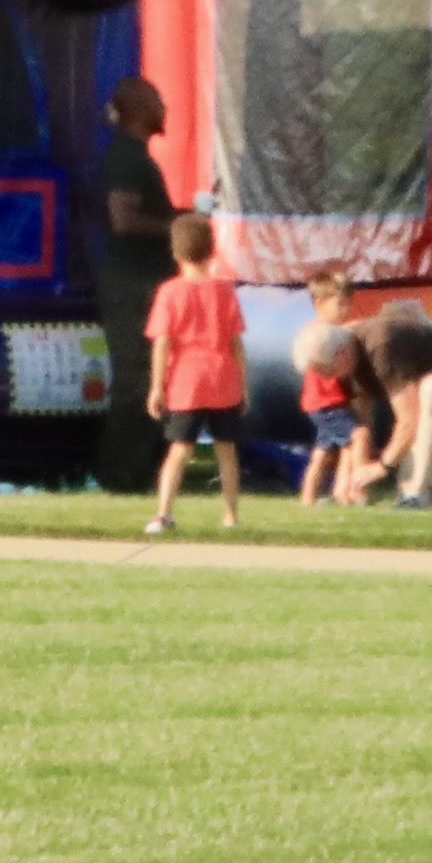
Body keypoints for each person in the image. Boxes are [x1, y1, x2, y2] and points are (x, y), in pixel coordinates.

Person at [300, 293, 432, 507]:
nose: (328, 378)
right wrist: (349, 481)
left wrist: (382, 466)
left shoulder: (380, 343)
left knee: (431, 388)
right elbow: (359, 429)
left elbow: (409, 419)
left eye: (327, 371)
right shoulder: (348, 367)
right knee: (417, 498)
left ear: (341, 354)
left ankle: (418, 489)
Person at [91, 75, 179, 497]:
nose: (165, 109)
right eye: (158, 99)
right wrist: (175, 226)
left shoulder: (135, 157)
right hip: (131, 288)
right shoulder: (126, 158)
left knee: (151, 377)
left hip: (142, 286)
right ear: (139, 108)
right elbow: (122, 219)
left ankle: (142, 471)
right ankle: (120, 474)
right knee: (136, 380)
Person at [140, 208, 251, 537]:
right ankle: (230, 515)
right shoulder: (224, 291)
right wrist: (244, 387)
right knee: (227, 451)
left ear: (175, 251)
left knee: (179, 450)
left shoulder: (170, 292)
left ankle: (164, 513)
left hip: (186, 383)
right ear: (212, 248)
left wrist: (156, 387)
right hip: (223, 380)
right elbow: (236, 344)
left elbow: (162, 343)